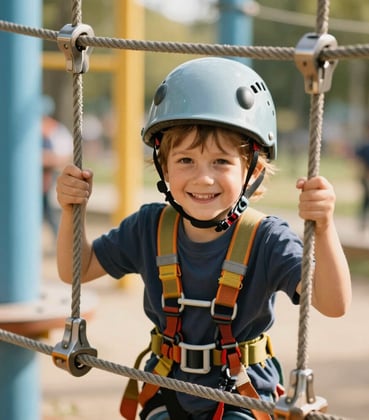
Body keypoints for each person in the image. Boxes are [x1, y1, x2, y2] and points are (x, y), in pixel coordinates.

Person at [56, 58, 351, 420]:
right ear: (163, 166)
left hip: (242, 396)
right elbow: (78, 270)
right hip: (167, 389)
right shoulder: (149, 227)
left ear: (253, 169)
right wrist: (72, 210)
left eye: (221, 162)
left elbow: (333, 304)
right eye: (185, 161)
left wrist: (324, 227)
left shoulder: (267, 239)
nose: (203, 178)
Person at [42, 96, 73, 238]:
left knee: (47, 208)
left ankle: (59, 237)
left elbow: (63, 157)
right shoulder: (32, 130)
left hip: (47, 174)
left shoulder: (55, 130)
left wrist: (43, 158)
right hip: (35, 175)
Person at [355, 113, 369, 230]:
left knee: (367, 201)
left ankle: (363, 223)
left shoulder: (367, 143)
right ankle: (365, 222)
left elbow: (358, 159)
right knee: (368, 200)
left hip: (368, 176)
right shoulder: (368, 144)